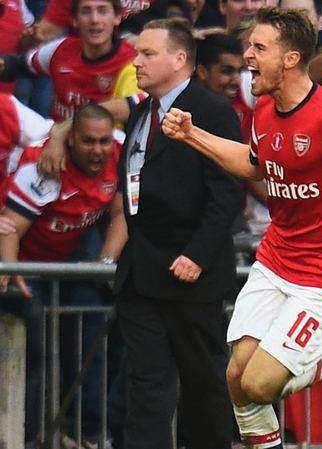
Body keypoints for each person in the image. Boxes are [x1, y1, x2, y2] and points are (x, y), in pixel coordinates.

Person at [160, 7, 322, 448]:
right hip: (277, 259)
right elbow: (253, 166)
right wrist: (191, 135)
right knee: (237, 379)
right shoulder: (264, 108)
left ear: (291, 59)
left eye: (259, 48)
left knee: (261, 385)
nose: (247, 56)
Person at [112, 18, 245, 449]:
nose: (137, 62)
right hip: (141, 274)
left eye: (148, 54)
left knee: (203, 382)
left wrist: (198, 254)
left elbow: (226, 192)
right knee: (146, 384)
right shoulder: (141, 112)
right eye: (137, 53)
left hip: (190, 274)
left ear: (179, 59)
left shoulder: (211, 111)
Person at [0, 104, 125, 449]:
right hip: (24, 260)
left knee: (91, 328)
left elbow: (121, 213)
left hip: (70, 253)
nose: (97, 150)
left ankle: (88, 431)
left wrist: (104, 262)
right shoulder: (44, 168)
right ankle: (27, 436)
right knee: (34, 344)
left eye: (103, 141)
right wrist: (11, 271)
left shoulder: (121, 153)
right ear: (70, 140)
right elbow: (9, 228)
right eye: (88, 141)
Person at [0, 0, 138, 123]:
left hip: (109, 142)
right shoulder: (60, 50)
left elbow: (140, 107)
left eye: (102, 11)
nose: (94, 20)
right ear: (74, 20)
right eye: (86, 11)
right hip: (55, 140)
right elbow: (17, 65)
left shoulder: (132, 61)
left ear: (117, 17)